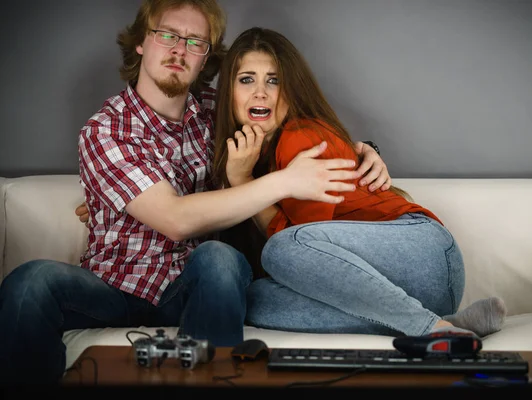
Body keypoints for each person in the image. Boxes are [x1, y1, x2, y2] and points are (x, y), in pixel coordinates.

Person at [0, 0, 391, 385]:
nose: (178, 50)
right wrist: (283, 182)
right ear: (141, 42)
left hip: (194, 286)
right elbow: (174, 219)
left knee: (220, 258)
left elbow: (282, 117)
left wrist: (359, 149)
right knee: (32, 280)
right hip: (113, 288)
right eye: (167, 34)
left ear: (206, 58)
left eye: (194, 42)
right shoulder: (107, 130)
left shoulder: (216, 113)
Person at [211, 27, 507, 340]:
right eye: (246, 79)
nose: (261, 92)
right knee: (257, 301)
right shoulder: (252, 156)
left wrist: (242, 180)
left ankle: (431, 330)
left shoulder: (301, 137)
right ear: (229, 92)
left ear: (291, 91)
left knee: (283, 248)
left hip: (423, 255)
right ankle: (441, 322)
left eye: (274, 80)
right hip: (403, 292)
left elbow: (301, 249)